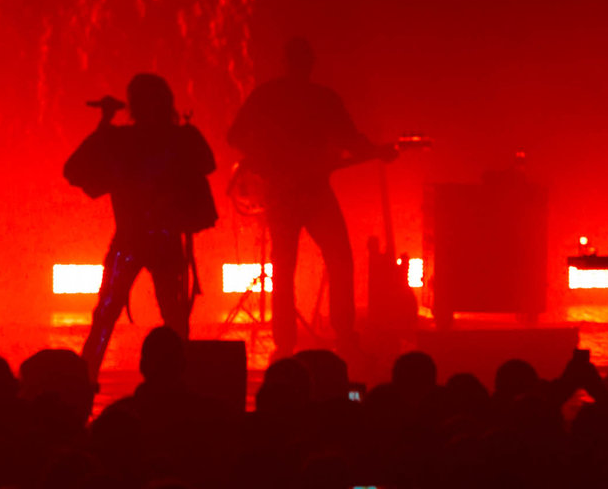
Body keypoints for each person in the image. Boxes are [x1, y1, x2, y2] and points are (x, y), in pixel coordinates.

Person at [227, 37, 392, 357]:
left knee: (290, 265)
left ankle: (287, 343)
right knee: (335, 259)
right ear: (309, 64)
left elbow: (235, 135)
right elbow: (351, 139)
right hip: (308, 193)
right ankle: (340, 336)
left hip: (293, 193)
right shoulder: (320, 98)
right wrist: (377, 152)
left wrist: (265, 158)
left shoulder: (269, 96)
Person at [65, 72, 218, 372]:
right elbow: (76, 168)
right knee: (146, 313)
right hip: (150, 237)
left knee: (120, 312)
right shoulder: (167, 138)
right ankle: (177, 375)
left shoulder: (131, 140)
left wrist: (106, 125)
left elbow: (76, 168)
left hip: (140, 238)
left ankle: (89, 373)